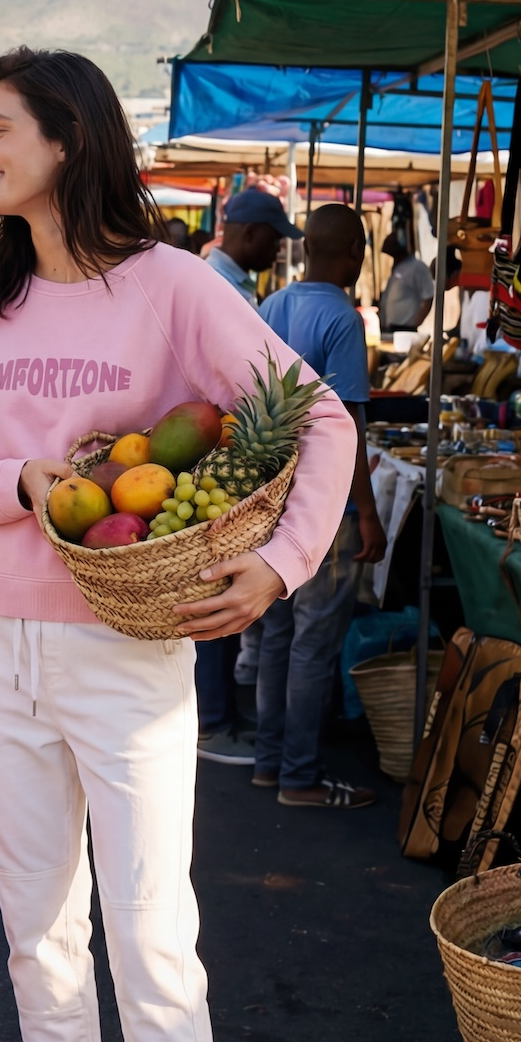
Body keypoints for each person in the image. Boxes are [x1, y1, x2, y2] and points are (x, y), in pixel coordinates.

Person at [0, 47, 355, 1042]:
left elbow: (319, 417)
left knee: (153, 938)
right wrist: (27, 485)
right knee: (37, 933)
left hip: (126, 652)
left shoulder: (167, 286)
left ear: (69, 137)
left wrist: (276, 566)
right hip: (3, 645)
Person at [254, 204, 387, 809]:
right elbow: (347, 424)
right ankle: (300, 777)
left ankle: (269, 762)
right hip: (321, 501)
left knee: (277, 632)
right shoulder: (344, 317)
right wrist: (368, 510)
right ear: (356, 256)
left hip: (270, 495)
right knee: (312, 640)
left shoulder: (273, 305)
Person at [193, 184, 303, 766]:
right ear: (253, 236)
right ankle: (213, 720)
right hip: (209, 458)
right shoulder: (218, 288)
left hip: (218, 455)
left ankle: (215, 714)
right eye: (274, 242)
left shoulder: (232, 284)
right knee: (211, 585)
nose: (276, 254)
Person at [204, 186, 299, 307]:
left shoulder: (231, 280)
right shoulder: (218, 285)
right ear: (250, 233)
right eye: (274, 239)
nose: (278, 249)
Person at [378, 234, 435, 334]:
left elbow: (428, 297)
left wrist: (415, 323)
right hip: (389, 329)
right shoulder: (397, 269)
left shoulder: (417, 267)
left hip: (405, 330)